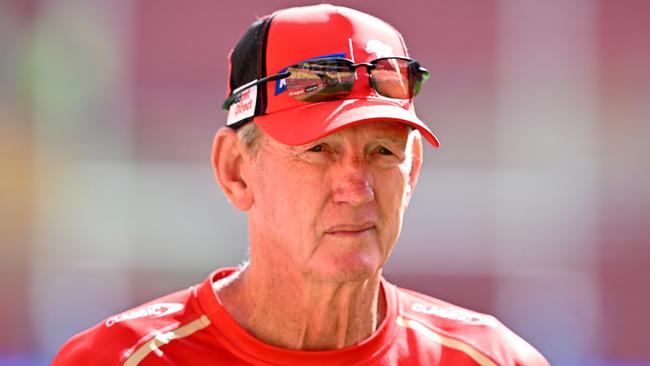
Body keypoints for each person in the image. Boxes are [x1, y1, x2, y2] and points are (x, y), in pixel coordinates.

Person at [53, 4, 549, 365]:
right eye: (318, 150)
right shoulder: (116, 360)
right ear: (235, 171)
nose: (356, 188)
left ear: (412, 171)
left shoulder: (494, 359)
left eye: (382, 152)